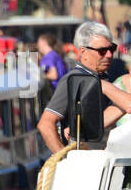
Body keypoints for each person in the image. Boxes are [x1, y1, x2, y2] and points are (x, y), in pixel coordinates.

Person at [37, 22, 125, 152]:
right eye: (102, 51)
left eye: (111, 49)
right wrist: (65, 159)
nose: (109, 55)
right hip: (85, 165)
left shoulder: (101, 78)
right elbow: (45, 124)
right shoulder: (74, 80)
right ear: (83, 52)